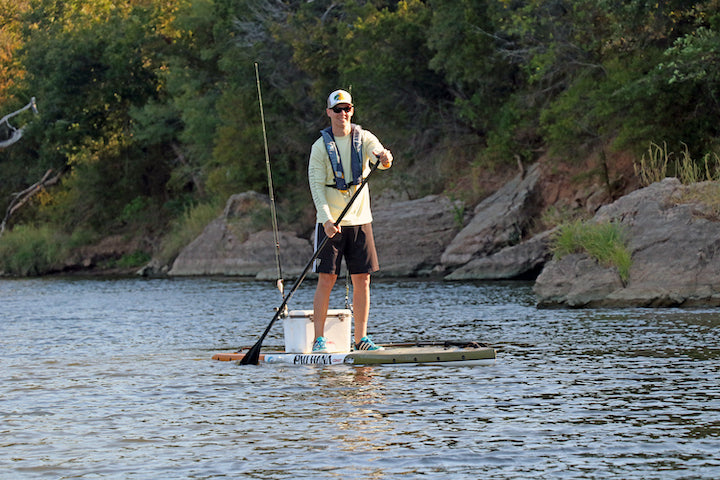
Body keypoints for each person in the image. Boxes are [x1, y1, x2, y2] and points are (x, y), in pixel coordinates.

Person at [307, 89, 393, 353]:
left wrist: (384, 158)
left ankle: (361, 339)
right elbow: (316, 185)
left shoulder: (364, 137)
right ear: (329, 113)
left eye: (347, 109)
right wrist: (326, 220)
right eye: (337, 110)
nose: (342, 114)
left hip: (360, 220)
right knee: (326, 279)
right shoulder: (320, 147)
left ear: (352, 111)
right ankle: (319, 339)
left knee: (362, 279)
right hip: (332, 224)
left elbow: (379, 154)